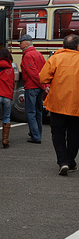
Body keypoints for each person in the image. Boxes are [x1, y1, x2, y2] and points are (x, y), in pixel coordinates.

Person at [39, 33, 79, 176]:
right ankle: (70, 160)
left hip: (57, 103)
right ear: (77, 46)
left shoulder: (55, 58)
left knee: (58, 133)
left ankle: (63, 162)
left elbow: (43, 77)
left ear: (63, 45)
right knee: (74, 134)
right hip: (76, 105)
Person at [18, 34, 46, 144]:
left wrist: (40, 84)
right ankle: (38, 133)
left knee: (30, 112)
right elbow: (44, 71)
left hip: (32, 86)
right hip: (39, 87)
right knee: (39, 111)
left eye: (21, 42)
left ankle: (35, 136)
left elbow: (33, 73)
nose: (19, 44)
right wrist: (44, 85)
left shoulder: (27, 56)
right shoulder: (39, 54)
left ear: (27, 43)